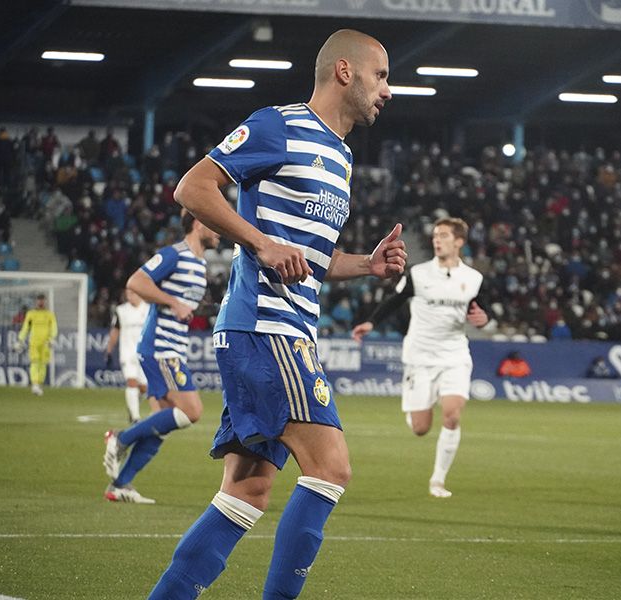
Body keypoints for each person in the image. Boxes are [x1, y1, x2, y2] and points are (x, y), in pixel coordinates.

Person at [148, 28, 403, 600]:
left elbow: (310, 259)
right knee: (330, 468)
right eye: (381, 76)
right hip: (267, 327)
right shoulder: (278, 125)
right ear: (345, 71)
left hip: (279, 330)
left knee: (248, 491)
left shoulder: (342, 157)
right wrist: (261, 242)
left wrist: (367, 265)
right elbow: (193, 189)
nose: (388, 90)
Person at [352, 217, 488, 498]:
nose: (437, 240)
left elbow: (480, 311)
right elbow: (395, 300)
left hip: (454, 355)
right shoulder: (419, 274)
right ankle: (417, 405)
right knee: (420, 428)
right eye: (436, 235)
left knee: (452, 415)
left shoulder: (473, 279)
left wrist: (484, 320)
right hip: (420, 356)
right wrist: (371, 322)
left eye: (444, 235)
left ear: (459, 241)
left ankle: (438, 480)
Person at [101, 210, 220, 504]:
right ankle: (121, 438)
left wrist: (188, 308)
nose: (220, 231)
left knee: (163, 424)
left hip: (173, 346)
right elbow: (136, 282)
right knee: (192, 411)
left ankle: (120, 485)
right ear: (198, 223)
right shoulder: (174, 254)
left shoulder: (199, 264)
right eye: (214, 224)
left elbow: (179, 303)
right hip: (160, 347)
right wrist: (174, 303)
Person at [104, 288, 153, 423]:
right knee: (131, 381)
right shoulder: (121, 311)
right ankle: (135, 417)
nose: (130, 296)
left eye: (133, 293)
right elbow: (115, 331)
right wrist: (109, 350)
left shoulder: (149, 309)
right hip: (127, 353)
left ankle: (133, 405)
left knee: (144, 387)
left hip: (144, 353)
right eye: (128, 294)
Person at [14, 293, 57, 396]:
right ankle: (34, 384)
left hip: (45, 343)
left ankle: (39, 384)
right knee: (35, 362)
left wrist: (52, 338)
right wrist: (20, 340)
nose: (41, 302)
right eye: (39, 300)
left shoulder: (49, 314)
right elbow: (25, 327)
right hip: (34, 342)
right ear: (36, 301)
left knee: (43, 364)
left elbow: (54, 327)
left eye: (42, 300)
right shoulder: (31, 314)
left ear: (45, 301)